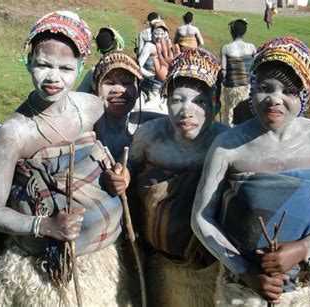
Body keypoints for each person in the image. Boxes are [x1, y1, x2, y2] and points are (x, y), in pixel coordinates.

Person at [192, 37, 310, 306]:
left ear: (305, 94)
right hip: (243, 291)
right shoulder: (229, 145)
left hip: (307, 288)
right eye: (264, 88)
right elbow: (201, 218)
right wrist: (247, 272)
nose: (274, 99)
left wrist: (304, 248)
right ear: (251, 88)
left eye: (289, 91)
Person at [0, 11, 131, 306]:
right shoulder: (15, 132)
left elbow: (107, 156)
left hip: (100, 261)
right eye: (43, 64)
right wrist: (46, 226)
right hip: (41, 271)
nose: (53, 77)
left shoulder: (90, 108)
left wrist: (120, 174)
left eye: (65, 68)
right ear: (28, 61)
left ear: (80, 66)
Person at [105, 48, 227, 306]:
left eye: (200, 102)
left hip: (208, 268)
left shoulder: (226, 142)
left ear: (215, 103)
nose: (186, 111)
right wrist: (122, 176)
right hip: (155, 260)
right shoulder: (150, 136)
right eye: (177, 100)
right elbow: (129, 172)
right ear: (165, 98)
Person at [93, 50, 165, 161]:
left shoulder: (146, 123)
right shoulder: (86, 126)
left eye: (127, 83)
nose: (118, 89)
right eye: (110, 83)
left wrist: (167, 82)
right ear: (96, 89)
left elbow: (179, 124)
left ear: (138, 91)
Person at [219, 19, 256, 126]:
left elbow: (224, 70)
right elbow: (255, 68)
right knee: (248, 116)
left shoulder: (226, 48)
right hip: (248, 88)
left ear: (232, 31)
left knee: (231, 117)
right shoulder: (252, 47)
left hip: (232, 90)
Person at [76, 26, 125, 93]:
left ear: (100, 50)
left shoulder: (93, 73)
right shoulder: (131, 67)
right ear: (118, 43)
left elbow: (79, 93)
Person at [138, 19, 169, 101]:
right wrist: (151, 76)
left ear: (165, 35)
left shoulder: (167, 47)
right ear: (151, 34)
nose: (159, 36)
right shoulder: (149, 46)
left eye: (162, 34)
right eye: (156, 33)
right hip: (150, 87)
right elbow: (138, 65)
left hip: (163, 87)